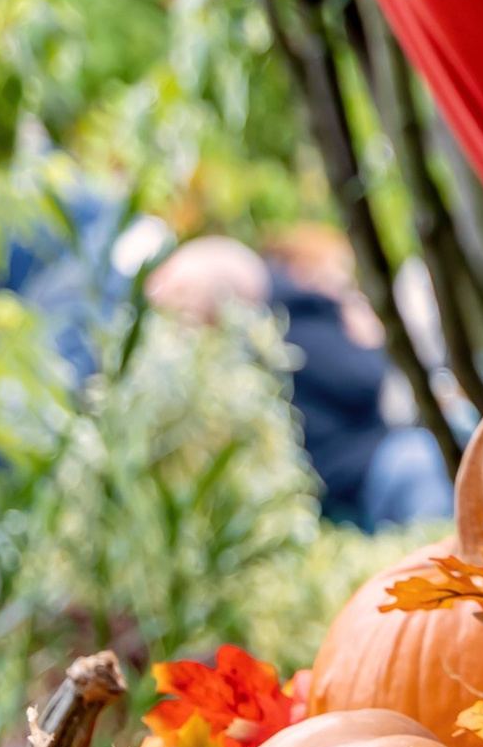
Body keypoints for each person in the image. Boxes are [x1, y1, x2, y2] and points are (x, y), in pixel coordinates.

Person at [147, 224, 453, 529]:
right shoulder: (294, 316)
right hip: (364, 472)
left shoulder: (232, 359)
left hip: (334, 488)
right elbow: (364, 380)